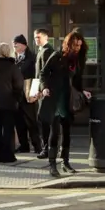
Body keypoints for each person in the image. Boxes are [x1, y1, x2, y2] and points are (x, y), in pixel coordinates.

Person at [39, 32, 91, 177]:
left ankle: (65, 162)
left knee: (67, 133)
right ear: (68, 44)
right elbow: (43, 73)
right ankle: (52, 165)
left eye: (80, 45)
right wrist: (44, 88)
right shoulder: (57, 56)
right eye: (75, 45)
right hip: (54, 98)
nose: (77, 48)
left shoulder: (78, 60)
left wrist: (83, 91)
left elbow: (77, 81)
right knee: (54, 133)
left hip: (68, 100)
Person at [13, 34, 42, 154]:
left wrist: (34, 93)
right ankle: (23, 145)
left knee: (31, 121)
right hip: (17, 95)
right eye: (13, 44)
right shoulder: (14, 58)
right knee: (19, 122)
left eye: (16, 44)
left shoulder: (32, 58)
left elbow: (37, 76)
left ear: (24, 45)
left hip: (29, 93)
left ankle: (37, 146)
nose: (14, 46)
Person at [33, 28, 55, 160]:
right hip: (40, 90)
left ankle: (47, 148)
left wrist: (42, 89)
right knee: (42, 120)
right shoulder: (41, 51)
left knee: (45, 121)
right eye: (35, 37)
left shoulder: (47, 51)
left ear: (46, 37)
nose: (36, 39)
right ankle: (46, 147)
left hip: (45, 92)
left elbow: (44, 73)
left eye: (39, 37)